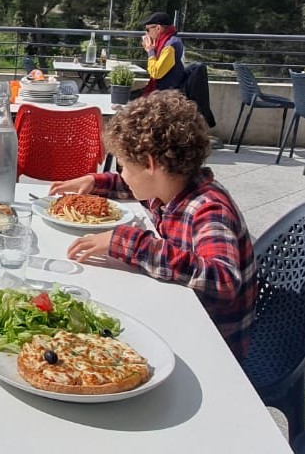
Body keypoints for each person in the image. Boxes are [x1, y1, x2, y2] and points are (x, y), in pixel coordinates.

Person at [49, 91, 256, 359]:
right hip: (181, 315)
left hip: (210, 348)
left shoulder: (208, 209)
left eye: (123, 166)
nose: (122, 174)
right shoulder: (171, 186)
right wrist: (94, 181)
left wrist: (130, 243)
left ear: (149, 164)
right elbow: (134, 185)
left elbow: (223, 279)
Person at [139, 11, 186, 94]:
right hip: (166, 90)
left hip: (167, 93)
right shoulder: (166, 41)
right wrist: (152, 50)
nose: (146, 33)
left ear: (158, 28)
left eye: (148, 30)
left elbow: (156, 73)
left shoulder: (170, 46)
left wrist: (150, 51)